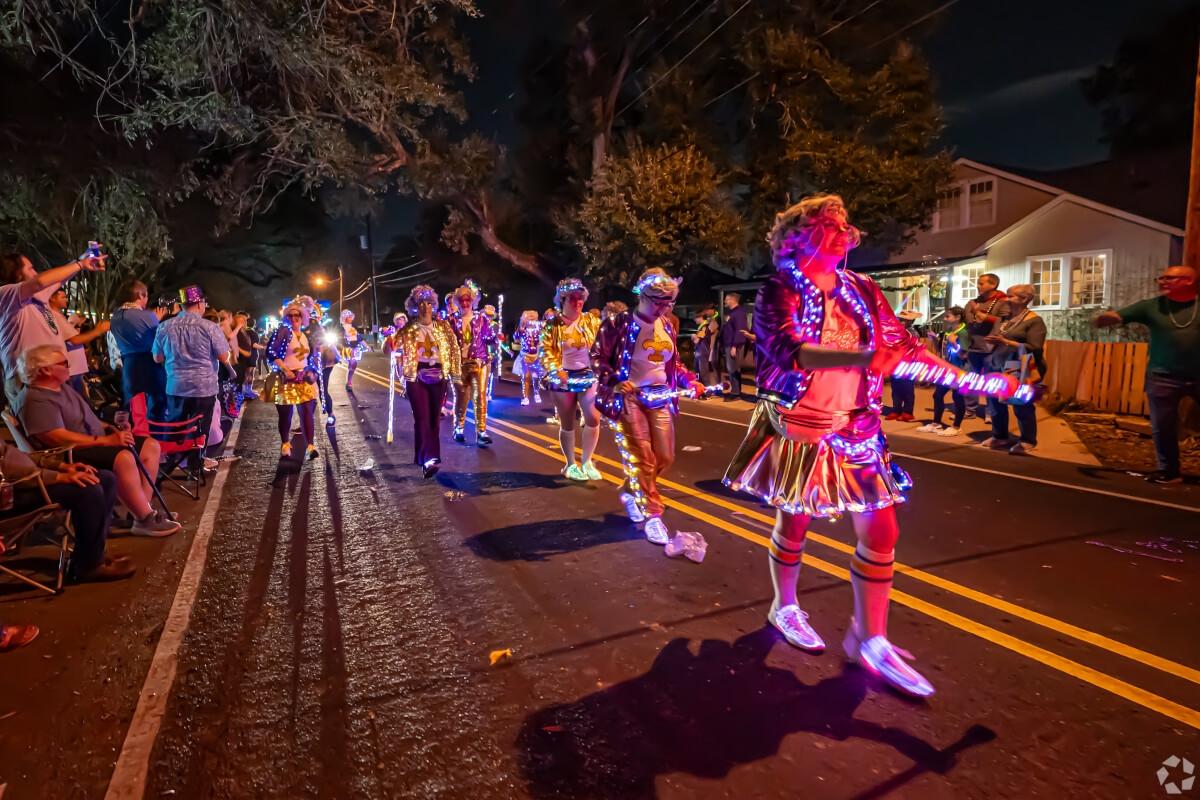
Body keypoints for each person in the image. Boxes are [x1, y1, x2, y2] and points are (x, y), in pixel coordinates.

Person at [722, 195, 1020, 698]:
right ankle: (785, 605)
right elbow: (789, 351)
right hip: (802, 422)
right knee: (796, 519)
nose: (843, 233)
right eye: (829, 226)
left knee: (882, 528)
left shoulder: (860, 288)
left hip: (857, 424)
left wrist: (978, 384)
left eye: (844, 225)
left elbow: (903, 349)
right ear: (800, 237)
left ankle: (868, 636)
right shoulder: (780, 288)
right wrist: (863, 355)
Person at [14, 344, 180, 536]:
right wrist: (105, 441)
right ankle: (144, 517)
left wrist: (109, 427)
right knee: (123, 457)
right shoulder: (35, 399)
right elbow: (55, 438)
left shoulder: (60, 388)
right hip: (70, 452)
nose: (69, 367)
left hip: (91, 442)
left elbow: (82, 418)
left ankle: (143, 509)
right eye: (64, 363)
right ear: (45, 369)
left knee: (150, 446)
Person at [594, 268, 706, 546]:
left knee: (664, 457)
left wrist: (691, 380)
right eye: (658, 301)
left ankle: (632, 490)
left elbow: (674, 363)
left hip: (661, 397)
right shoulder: (619, 323)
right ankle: (653, 516)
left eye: (669, 302)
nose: (664, 308)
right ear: (642, 296)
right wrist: (615, 381)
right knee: (643, 458)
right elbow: (597, 357)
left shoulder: (667, 325)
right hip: (630, 399)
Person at [1094, 264, 1200, 484]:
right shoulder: (1152, 306)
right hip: (1163, 376)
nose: (1162, 281)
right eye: (1160, 278)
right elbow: (1118, 315)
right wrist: (1104, 318)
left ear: (1188, 281)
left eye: (1169, 278)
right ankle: (1168, 471)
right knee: (1163, 425)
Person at [0, 436, 134, 582]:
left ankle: (94, 553)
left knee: (106, 479)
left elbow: (13, 455)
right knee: (88, 490)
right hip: (11, 495)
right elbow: (7, 469)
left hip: (26, 481)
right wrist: (58, 476)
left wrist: (62, 466)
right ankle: (89, 567)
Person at [0, 249, 107, 408]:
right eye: (30, 268)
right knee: (45, 431)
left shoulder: (36, 297)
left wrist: (83, 259)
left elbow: (57, 281)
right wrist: (79, 264)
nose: (36, 272)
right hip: (27, 378)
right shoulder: (7, 293)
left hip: (47, 376)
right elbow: (40, 282)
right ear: (16, 274)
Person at [152, 285, 232, 470]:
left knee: (176, 424)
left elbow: (157, 357)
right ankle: (196, 463)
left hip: (176, 386)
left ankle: (172, 462)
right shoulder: (210, 327)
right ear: (199, 303)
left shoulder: (164, 326)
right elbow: (224, 357)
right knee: (200, 428)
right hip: (203, 387)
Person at [395, 285, 461, 478]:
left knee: (434, 419)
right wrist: (389, 344)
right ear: (415, 306)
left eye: (429, 303)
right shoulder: (409, 329)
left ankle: (424, 457)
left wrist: (455, 374)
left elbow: (454, 349)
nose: (425, 307)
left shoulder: (443, 327)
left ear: (434, 305)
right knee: (422, 417)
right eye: (421, 303)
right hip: (416, 376)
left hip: (439, 375)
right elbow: (390, 346)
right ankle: (429, 459)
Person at [540, 278, 602, 480]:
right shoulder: (552, 324)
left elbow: (603, 344)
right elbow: (545, 350)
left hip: (587, 375)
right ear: (563, 300)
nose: (578, 302)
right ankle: (570, 465)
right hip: (562, 378)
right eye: (573, 299)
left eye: (581, 299)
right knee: (567, 423)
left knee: (593, 417)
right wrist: (556, 370)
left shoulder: (591, 321)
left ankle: (587, 462)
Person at [981, 285, 1046, 455]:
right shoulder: (1004, 318)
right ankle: (1000, 435)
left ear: (1024, 299)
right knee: (994, 402)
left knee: (1021, 404)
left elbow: (1035, 347)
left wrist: (1006, 342)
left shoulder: (1034, 321)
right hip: (997, 365)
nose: (1005, 299)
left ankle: (1028, 440)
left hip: (1018, 369)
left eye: (1010, 297)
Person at [264, 298, 322, 460]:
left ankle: (310, 446)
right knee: (285, 415)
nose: (294, 317)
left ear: (303, 317)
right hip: (285, 379)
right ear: (286, 317)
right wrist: (285, 369)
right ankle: (285, 444)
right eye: (290, 315)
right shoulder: (282, 331)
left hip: (303, 379)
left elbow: (310, 356)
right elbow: (271, 352)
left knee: (307, 413)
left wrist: (312, 370)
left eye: (297, 315)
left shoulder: (305, 335)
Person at [109, 280, 168, 419]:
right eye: (146, 296)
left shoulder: (116, 317)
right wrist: (157, 319)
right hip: (148, 363)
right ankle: (155, 434)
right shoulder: (147, 316)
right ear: (140, 296)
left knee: (133, 403)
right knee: (157, 400)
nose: (147, 300)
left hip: (128, 364)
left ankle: (135, 435)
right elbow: (159, 340)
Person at [449, 281, 497, 447]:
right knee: (462, 397)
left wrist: (496, 337)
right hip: (459, 364)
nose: (465, 303)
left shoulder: (481, 319)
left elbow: (489, 337)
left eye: (468, 300)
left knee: (480, 396)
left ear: (473, 301)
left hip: (479, 362)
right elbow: (447, 343)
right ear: (458, 302)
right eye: (462, 300)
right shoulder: (452, 321)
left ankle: (481, 432)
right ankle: (459, 428)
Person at [963, 273, 1011, 420]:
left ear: (993, 285)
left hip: (993, 348)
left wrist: (982, 315)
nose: (978, 286)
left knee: (991, 381)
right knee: (970, 379)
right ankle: (970, 410)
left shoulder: (1003, 302)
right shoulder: (972, 302)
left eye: (981, 283)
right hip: (974, 346)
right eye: (978, 283)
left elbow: (1005, 321)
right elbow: (969, 323)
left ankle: (991, 412)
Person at [917, 306, 968, 436]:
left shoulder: (963, 333)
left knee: (957, 397)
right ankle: (936, 423)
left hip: (959, 370)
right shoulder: (948, 331)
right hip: (947, 370)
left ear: (957, 318)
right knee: (937, 395)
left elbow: (964, 355)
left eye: (948, 316)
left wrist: (955, 344)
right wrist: (935, 340)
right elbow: (942, 352)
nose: (945, 319)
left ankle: (957, 427)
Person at [47, 288, 109, 393]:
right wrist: (98, 331)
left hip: (74, 369)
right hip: (72, 370)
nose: (67, 300)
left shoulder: (58, 316)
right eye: (63, 297)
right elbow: (75, 340)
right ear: (52, 298)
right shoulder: (55, 317)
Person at [884, 311, 921, 422]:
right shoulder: (896, 332)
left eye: (903, 320)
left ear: (911, 321)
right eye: (900, 319)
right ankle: (896, 409)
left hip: (908, 364)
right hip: (896, 363)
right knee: (896, 389)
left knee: (907, 389)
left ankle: (908, 411)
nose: (900, 321)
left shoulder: (913, 333)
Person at [718, 292, 754, 401]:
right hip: (729, 344)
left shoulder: (739, 313)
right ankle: (735, 391)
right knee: (731, 368)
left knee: (733, 368)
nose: (725, 301)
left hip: (734, 345)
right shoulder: (733, 312)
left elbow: (740, 330)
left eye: (727, 299)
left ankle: (736, 393)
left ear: (733, 300)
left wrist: (735, 346)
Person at [515, 310, 543, 406]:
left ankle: (536, 393)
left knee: (536, 377)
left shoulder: (538, 330)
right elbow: (516, 337)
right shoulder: (522, 330)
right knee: (526, 377)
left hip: (535, 356)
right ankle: (526, 397)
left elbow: (542, 339)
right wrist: (520, 327)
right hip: (525, 356)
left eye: (533, 318)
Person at [692, 306, 719, 386]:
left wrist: (693, 337)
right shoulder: (703, 327)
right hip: (700, 352)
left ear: (700, 317)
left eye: (695, 318)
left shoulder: (704, 327)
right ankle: (701, 388)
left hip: (702, 353)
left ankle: (707, 389)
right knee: (698, 372)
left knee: (703, 372)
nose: (694, 320)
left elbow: (697, 340)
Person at [340, 309, 367, 391]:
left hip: (355, 348)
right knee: (352, 363)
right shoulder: (342, 328)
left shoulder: (353, 327)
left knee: (353, 365)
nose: (351, 318)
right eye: (349, 317)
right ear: (345, 318)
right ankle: (349, 383)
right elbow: (340, 338)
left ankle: (349, 381)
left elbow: (359, 338)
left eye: (351, 317)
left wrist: (367, 346)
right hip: (347, 348)